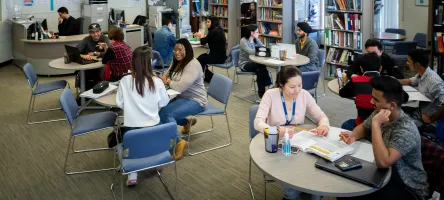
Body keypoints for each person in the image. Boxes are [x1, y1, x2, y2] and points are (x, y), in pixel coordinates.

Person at [339, 76, 428, 200]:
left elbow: (383, 163)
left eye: (375, 99)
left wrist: (376, 124)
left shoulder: (405, 130)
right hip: (386, 174)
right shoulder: (380, 112)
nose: (371, 102)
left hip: (407, 186)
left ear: (392, 105)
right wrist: (354, 134)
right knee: (347, 185)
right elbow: (364, 127)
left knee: (355, 193)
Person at [254, 66, 329, 200]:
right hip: (276, 143)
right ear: (281, 85)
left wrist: (324, 126)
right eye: (292, 87)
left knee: (316, 177)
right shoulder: (270, 95)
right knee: (292, 191)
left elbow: (321, 116)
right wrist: (278, 131)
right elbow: (258, 122)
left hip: (299, 142)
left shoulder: (304, 95)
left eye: (300, 85)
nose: (297, 90)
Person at [116, 46, 172, 186]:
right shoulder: (157, 82)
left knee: (124, 142)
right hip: (155, 129)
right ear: (150, 62)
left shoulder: (124, 81)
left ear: (133, 62)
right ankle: (157, 161)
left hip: (132, 131)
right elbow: (164, 102)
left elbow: (120, 104)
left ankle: (132, 174)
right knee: (155, 134)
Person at [159, 39, 207, 152]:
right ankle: (186, 122)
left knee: (165, 114)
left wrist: (169, 81)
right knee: (160, 109)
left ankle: (179, 142)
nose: (177, 52)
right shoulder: (177, 61)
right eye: (175, 50)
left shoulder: (192, 65)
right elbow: (167, 75)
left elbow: (180, 87)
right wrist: (167, 79)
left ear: (187, 50)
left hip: (196, 100)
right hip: (180, 96)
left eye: (180, 50)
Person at [399, 49, 444, 134]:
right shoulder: (422, 74)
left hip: (429, 122)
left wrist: (432, 119)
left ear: (417, 64)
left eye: (408, 61)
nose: (407, 63)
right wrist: (392, 80)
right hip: (419, 112)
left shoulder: (433, 81)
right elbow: (410, 81)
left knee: (399, 124)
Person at [339, 52, 381, 132]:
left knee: (345, 125)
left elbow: (342, 93)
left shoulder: (356, 80)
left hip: (362, 126)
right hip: (384, 127)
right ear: (380, 68)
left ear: (361, 69)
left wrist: (344, 82)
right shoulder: (390, 81)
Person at [239, 24, 272, 99]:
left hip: (255, 63)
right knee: (260, 66)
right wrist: (259, 49)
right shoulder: (243, 41)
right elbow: (250, 52)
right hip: (245, 64)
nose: (258, 34)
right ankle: (268, 84)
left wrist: (259, 44)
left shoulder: (255, 40)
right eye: (257, 32)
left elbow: (263, 47)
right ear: (251, 33)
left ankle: (262, 95)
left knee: (259, 70)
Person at [76, 23, 110, 90]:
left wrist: (95, 53)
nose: (96, 34)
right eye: (93, 32)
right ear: (90, 33)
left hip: (101, 65)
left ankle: (100, 90)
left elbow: (109, 53)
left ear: (100, 31)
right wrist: (83, 55)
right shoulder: (86, 39)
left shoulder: (105, 39)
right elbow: (76, 51)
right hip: (89, 65)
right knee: (81, 75)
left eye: (97, 31)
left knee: (101, 74)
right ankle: (84, 94)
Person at [195, 16, 227, 83]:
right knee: (201, 57)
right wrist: (202, 36)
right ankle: (208, 75)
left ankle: (201, 77)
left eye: (209, 22)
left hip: (217, 58)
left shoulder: (213, 32)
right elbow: (209, 38)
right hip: (221, 56)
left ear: (213, 22)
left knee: (200, 59)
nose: (207, 23)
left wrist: (202, 31)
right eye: (207, 22)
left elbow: (203, 42)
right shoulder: (219, 29)